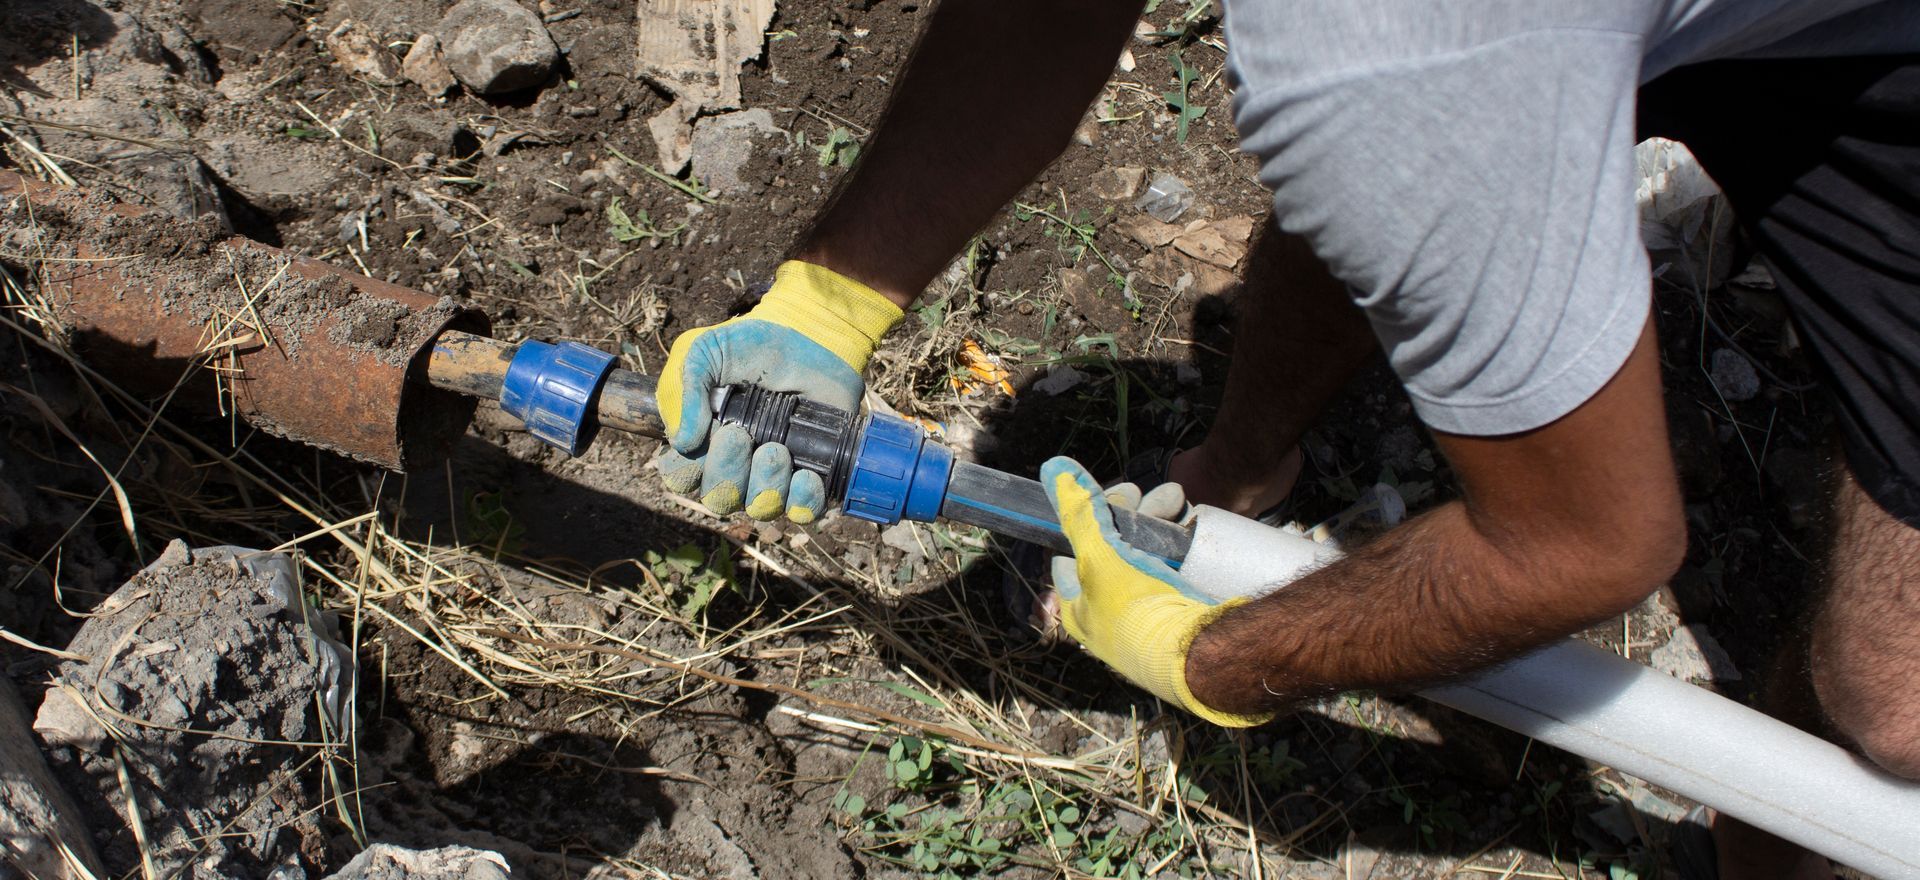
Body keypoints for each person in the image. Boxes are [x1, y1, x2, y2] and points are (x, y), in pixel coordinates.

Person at [651, 2, 1920, 877]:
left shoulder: (1392, 65)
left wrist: (1222, 657)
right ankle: (1245, 466)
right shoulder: (1397, 84)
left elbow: (1597, 543)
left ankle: (1784, 838)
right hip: (1481, 61)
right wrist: (834, 292)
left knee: (1899, 703)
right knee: (1386, 174)